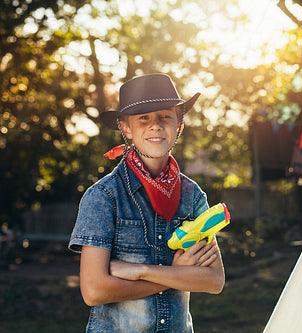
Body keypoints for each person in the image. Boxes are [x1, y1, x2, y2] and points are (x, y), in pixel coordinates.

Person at [68, 73, 225, 332]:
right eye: (144, 118)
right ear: (126, 128)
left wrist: (140, 270)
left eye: (165, 116)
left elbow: (214, 280)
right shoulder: (104, 197)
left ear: (179, 126)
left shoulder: (192, 195)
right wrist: (175, 275)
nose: (156, 126)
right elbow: (94, 290)